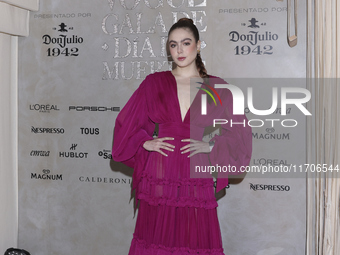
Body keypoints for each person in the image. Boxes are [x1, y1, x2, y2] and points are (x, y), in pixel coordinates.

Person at [112, 18, 252, 255]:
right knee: (156, 241)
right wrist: (144, 142)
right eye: (173, 44)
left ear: (197, 45)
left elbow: (241, 136)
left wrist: (211, 146)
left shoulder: (218, 88)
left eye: (185, 43)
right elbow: (125, 125)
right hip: (160, 172)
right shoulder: (153, 83)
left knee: (194, 241)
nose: (179, 50)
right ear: (168, 48)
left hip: (196, 173)